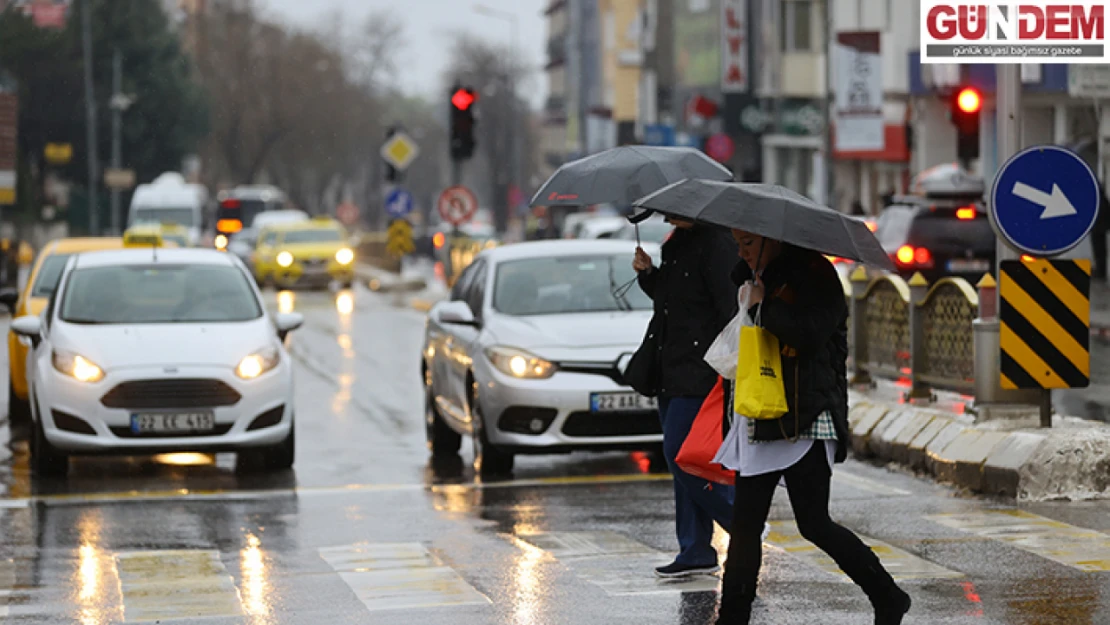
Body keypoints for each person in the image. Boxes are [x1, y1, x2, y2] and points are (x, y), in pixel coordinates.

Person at [715, 230, 911, 625]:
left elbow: (808, 335)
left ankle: (887, 595)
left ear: (773, 240)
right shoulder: (753, 277)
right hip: (760, 411)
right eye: (737, 244)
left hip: (806, 415)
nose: (741, 251)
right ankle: (731, 618)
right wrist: (749, 284)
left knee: (814, 523)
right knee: (745, 525)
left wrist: (764, 304)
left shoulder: (816, 274)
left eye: (748, 244)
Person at [632, 216, 739, 578]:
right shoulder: (676, 243)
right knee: (684, 461)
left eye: (671, 208)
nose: (663, 215)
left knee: (682, 455)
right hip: (670, 366)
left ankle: (740, 520)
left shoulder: (717, 244)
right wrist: (649, 275)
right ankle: (694, 549)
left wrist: (729, 365)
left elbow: (729, 310)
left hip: (702, 370)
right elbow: (673, 301)